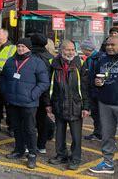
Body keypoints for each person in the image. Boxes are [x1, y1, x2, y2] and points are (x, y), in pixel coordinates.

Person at [1, 38, 49, 169]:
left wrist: (32, 95)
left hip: (29, 103)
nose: (20, 49)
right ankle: (19, 150)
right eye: (19, 46)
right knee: (16, 128)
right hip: (13, 101)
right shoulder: (11, 61)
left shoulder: (37, 62)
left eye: (23, 46)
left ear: (29, 48)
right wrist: (6, 92)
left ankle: (32, 155)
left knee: (30, 129)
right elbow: (3, 78)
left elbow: (44, 83)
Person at [47, 40, 90, 170]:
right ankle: (61, 155)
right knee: (59, 133)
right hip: (59, 104)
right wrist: (48, 104)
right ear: (61, 50)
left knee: (76, 136)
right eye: (67, 49)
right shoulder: (53, 64)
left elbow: (85, 87)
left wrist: (86, 107)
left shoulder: (80, 63)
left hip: (76, 105)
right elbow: (48, 86)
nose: (70, 52)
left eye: (73, 50)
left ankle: (75, 159)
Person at [89, 36, 118, 174]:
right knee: (107, 135)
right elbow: (93, 78)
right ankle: (108, 164)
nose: (109, 47)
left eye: (112, 44)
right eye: (107, 44)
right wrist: (96, 84)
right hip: (105, 103)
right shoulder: (101, 60)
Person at [30, 33, 55, 154]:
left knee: (29, 120)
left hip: (31, 92)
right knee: (42, 120)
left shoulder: (30, 56)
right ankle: (41, 145)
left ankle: (29, 145)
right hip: (46, 93)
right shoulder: (50, 57)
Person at [0, 29, 17, 135]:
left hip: (7, 78)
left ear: (5, 35)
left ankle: (11, 127)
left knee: (9, 104)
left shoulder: (13, 48)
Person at [80, 39, 103, 141]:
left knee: (97, 114)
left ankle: (99, 134)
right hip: (94, 91)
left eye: (82, 49)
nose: (81, 51)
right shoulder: (92, 58)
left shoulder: (96, 58)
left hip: (96, 91)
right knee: (95, 113)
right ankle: (98, 133)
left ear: (86, 49)